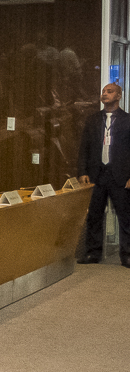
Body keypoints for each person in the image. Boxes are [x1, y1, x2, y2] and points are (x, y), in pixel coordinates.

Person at [76, 82, 130, 266]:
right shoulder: (92, 119)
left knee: (125, 217)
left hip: (120, 175)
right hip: (96, 175)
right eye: (103, 91)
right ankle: (93, 253)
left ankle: (127, 254)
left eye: (109, 91)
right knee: (94, 215)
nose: (104, 94)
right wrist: (82, 171)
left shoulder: (128, 120)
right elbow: (84, 147)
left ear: (119, 96)